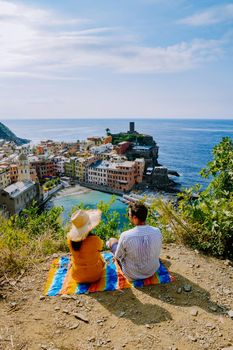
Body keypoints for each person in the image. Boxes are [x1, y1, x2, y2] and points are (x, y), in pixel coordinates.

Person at [108, 202, 162, 281]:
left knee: (112, 240)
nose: (128, 216)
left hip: (132, 274)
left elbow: (118, 256)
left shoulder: (126, 235)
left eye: (129, 214)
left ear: (135, 218)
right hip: (152, 271)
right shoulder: (157, 231)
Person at [67, 209, 105, 283]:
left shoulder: (70, 241)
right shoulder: (95, 240)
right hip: (95, 276)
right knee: (99, 256)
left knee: (72, 258)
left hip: (77, 276)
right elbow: (100, 248)